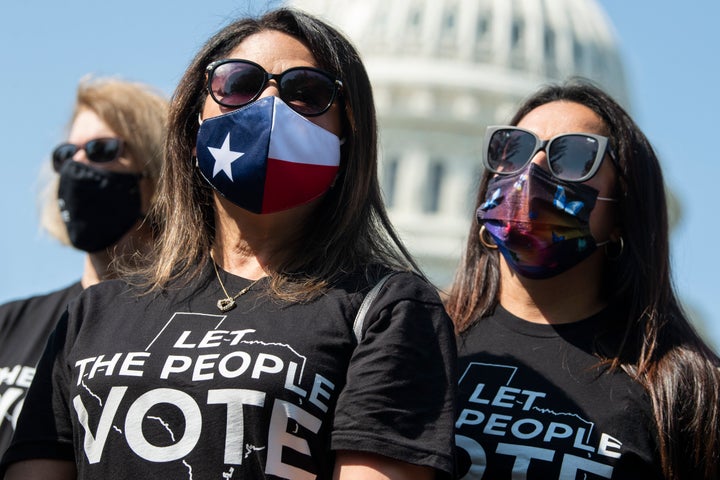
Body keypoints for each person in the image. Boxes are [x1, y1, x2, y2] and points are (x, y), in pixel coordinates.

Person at [1, 7, 457, 480]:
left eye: (307, 93)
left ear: (348, 135)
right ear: (195, 117)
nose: (270, 107)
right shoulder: (93, 312)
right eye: (238, 85)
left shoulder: (387, 311)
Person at [446, 80, 720, 479]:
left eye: (573, 156)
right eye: (514, 148)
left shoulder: (684, 390)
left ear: (621, 214)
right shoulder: (421, 341)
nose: (532, 170)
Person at [0, 77, 167, 456]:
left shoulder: (190, 326)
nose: (76, 166)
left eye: (102, 149)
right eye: (65, 155)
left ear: (158, 175)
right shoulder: (10, 323)